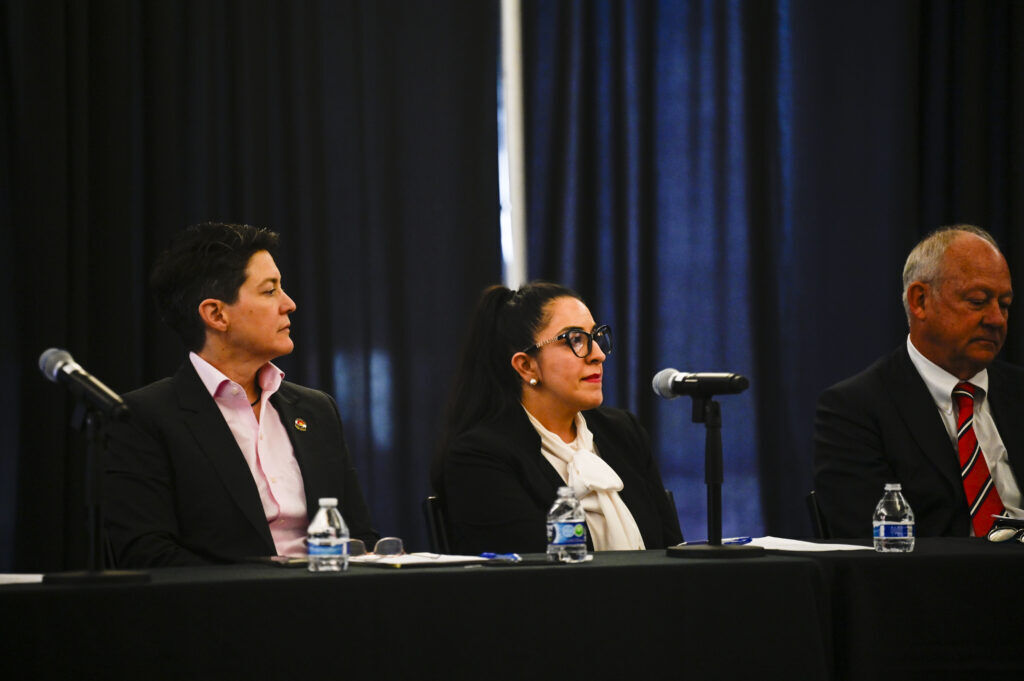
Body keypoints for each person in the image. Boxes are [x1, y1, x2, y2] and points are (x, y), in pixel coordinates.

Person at [104, 222, 377, 567]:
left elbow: (360, 537)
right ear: (217, 314)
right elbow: (147, 554)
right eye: (269, 291)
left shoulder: (316, 409)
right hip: (224, 612)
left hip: (328, 606)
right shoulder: (144, 417)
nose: (289, 304)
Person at [433, 282, 683, 554]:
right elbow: (526, 578)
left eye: (596, 336)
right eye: (575, 339)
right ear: (526, 365)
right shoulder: (481, 456)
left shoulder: (623, 432)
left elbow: (672, 550)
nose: (598, 354)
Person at [814, 225, 1024, 538]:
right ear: (920, 300)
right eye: (978, 301)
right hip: (933, 583)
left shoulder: (1018, 393)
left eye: (1004, 304)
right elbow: (873, 545)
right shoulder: (855, 410)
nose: (996, 319)